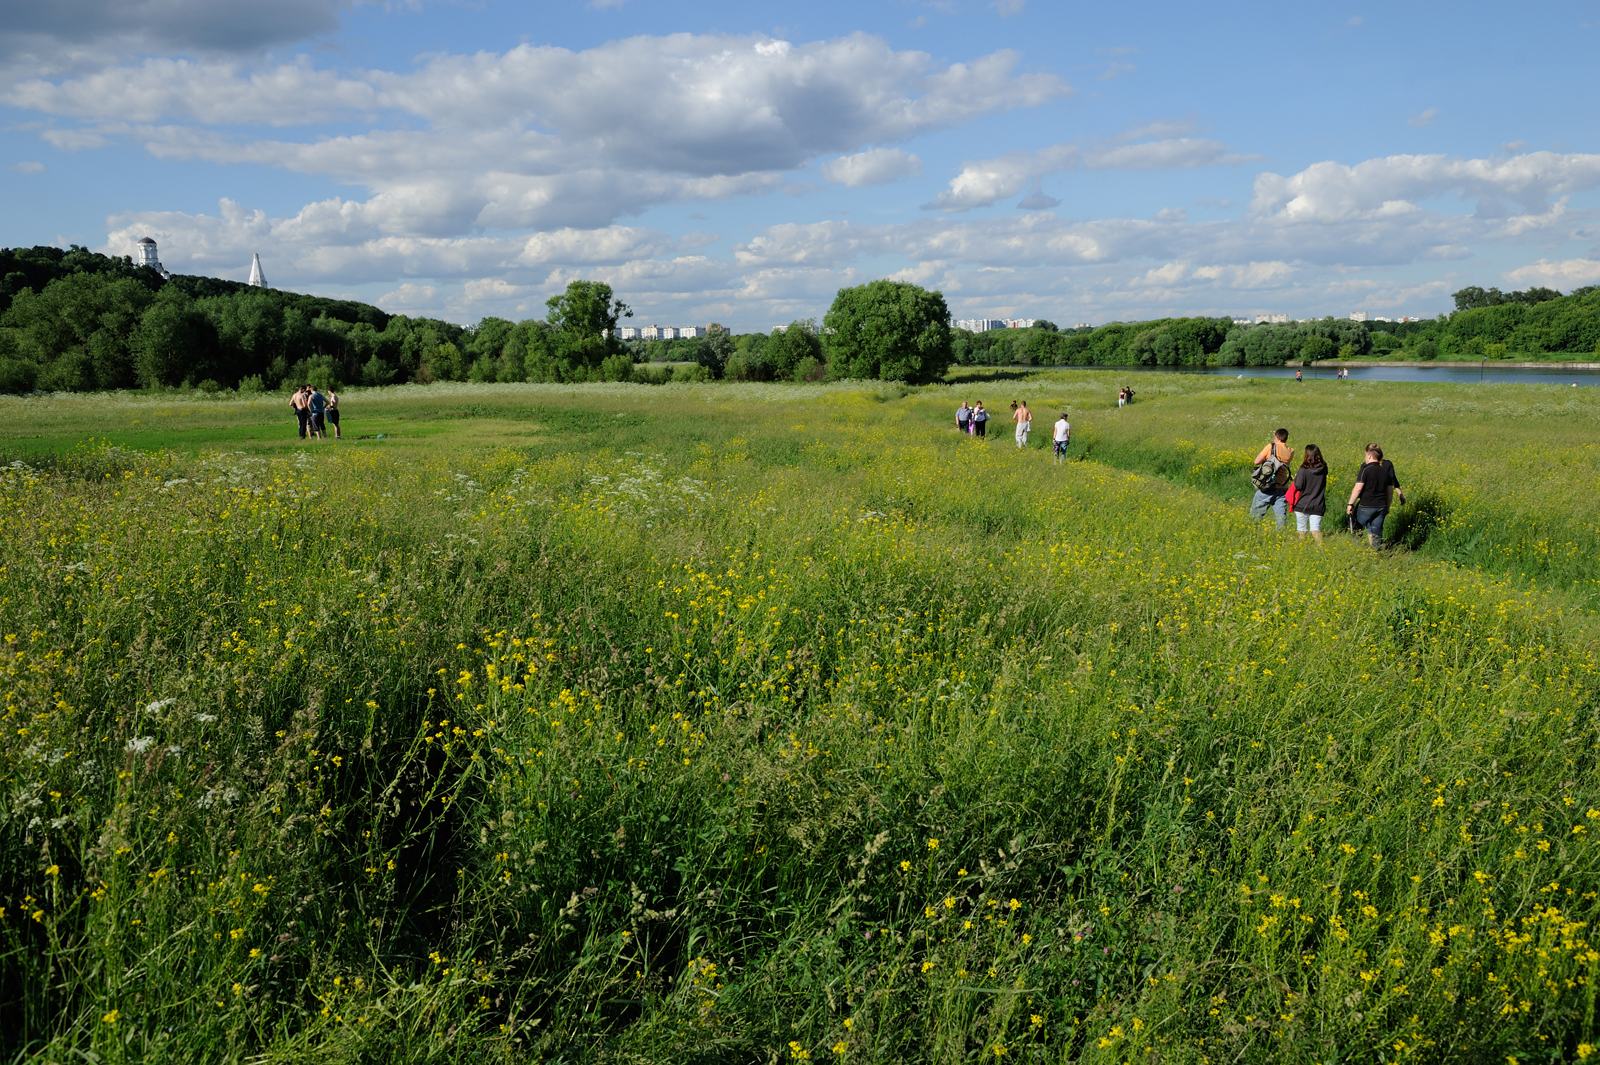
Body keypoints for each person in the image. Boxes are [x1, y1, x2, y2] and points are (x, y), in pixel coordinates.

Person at [1346, 443, 1405, 549]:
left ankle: (1357, 550)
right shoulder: (1385, 472)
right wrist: (1387, 507)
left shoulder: (1365, 470)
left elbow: (1358, 488)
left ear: (1369, 456)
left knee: (1356, 529)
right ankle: (1375, 554)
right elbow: (1390, 492)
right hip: (1381, 506)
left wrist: (1350, 503)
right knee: (1377, 533)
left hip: (1366, 505)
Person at [1249, 428, 1295, 530]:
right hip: (1283, 487)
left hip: (1268, 485)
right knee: (1280, 516)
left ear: (1276, 436)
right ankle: (1280, 536)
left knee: (1256, 514)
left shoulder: (1271, 447)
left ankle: (1252, 531)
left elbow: (1256, 461)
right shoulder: (1291, 451)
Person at [1292, 443, 1328, 543]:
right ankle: (1321, 550)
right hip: (1318, 504)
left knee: (1302, 530)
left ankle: (1301, 550)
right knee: (1316, 530)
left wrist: (1296, 479)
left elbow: (1298, 486)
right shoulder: (1324, 468)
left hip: (1303, 504)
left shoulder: (1303, 469)